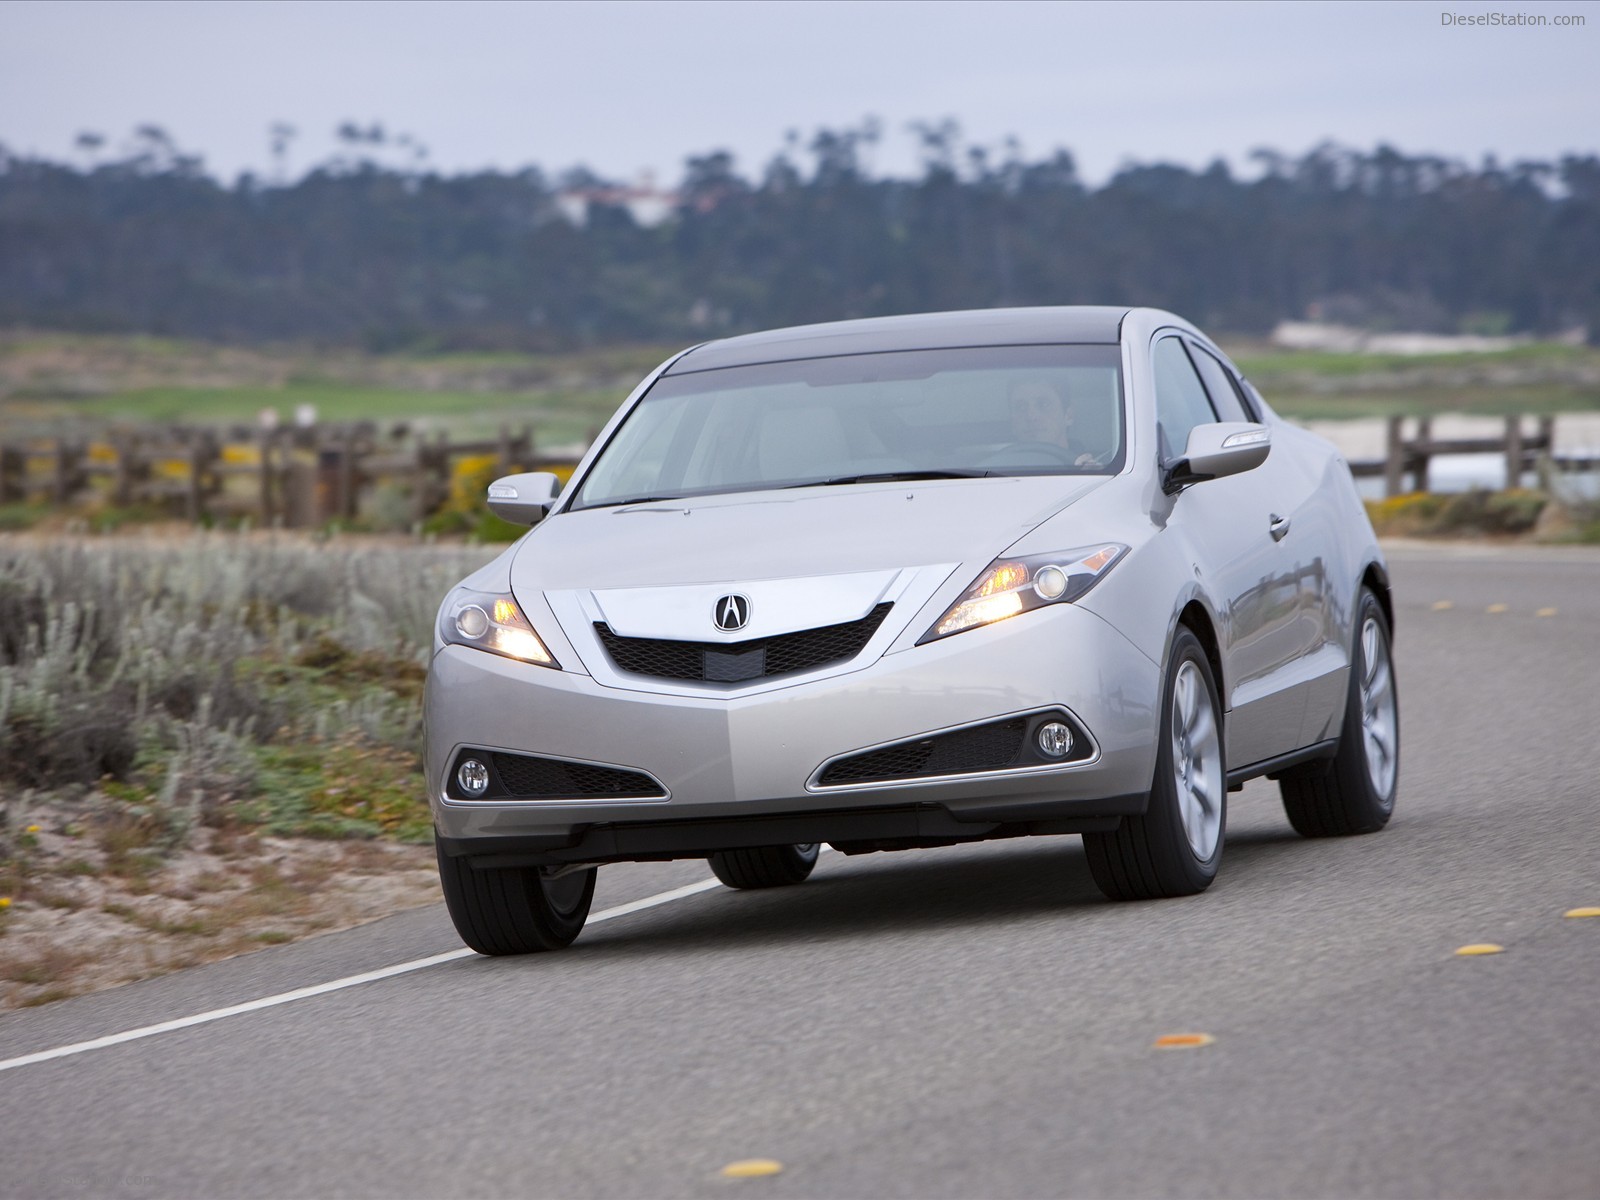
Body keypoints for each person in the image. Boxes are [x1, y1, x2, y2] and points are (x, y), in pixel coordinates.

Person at [1007, 378, 1099, 466]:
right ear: (1012, 421)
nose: (1031, 417)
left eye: (1043, 404)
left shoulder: (1097, 473)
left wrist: (1088, 473)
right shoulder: (996, 472)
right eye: (1021, 407)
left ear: (1068, 416)